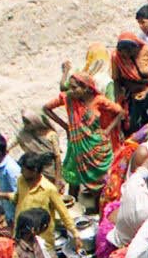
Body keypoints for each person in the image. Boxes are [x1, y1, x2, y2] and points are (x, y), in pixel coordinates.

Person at [44, 71, 121, 201]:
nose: (71, 90)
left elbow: (120, 112)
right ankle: (73, 206)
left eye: (75, 87)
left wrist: (107, 130)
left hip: (95, 147)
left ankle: (100, 207)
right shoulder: (68, 98)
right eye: (70, 87)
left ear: (86, 88)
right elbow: (46, 108)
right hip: (76, 146)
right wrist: (66, 126)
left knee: (99, 182)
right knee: (74, 179)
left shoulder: (99, 100)